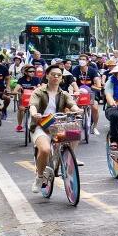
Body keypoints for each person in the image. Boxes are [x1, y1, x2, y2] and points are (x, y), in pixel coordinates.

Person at [27, 64, 81, 193]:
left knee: (75, 131)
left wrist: (78, 110)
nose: (56, 77)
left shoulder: (64, 94)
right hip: (40, 125)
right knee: (45, 150)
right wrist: (34, 113)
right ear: (47, 76)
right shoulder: (38, 92)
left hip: (57, 125)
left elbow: (72, 105)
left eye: (59, 75)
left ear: (62, 78)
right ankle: (39, 177)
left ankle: (68, 158)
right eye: (53, 74)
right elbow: (33, 105)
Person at [73, 54, 102, 135]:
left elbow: (97, 80)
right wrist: (76, 90)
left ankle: (94, 127)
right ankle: (75, 126)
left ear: (87, 61)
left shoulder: (92, 70)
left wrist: (98, 85)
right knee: (75, 107)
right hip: (79, 92)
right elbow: (73, 80)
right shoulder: (76, 70)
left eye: (83, 59)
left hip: (91, 92)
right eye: (80, 59)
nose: (81, 61)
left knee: (95, 108)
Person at [14, 63, 44, 133]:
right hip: (23, 99)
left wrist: (36, 88)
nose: (32, 73)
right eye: (30, 71)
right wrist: (18, 92)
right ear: (26, 72)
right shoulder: (21, 80)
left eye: (33, 71)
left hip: (34, 99)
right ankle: (19, 125)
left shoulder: (36, 79)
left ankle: (38, 124)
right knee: (20, 109)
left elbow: (40, 88)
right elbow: (15, 89)